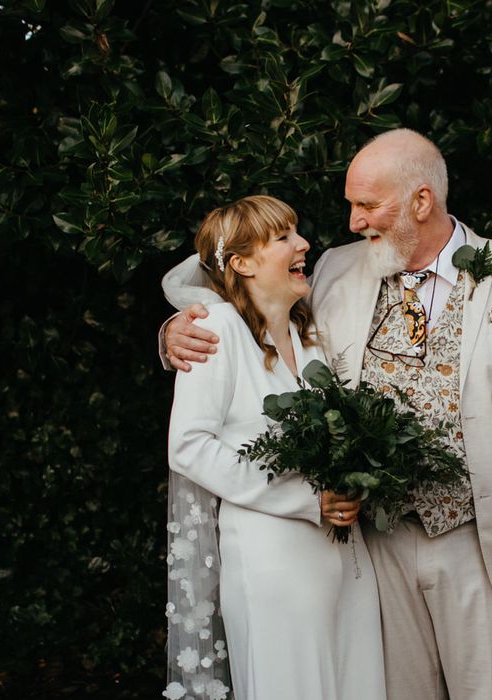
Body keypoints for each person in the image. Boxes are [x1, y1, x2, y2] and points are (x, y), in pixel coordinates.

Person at [162, 130, 492, 700]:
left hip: (481, 541)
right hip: (373, 546)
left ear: (420, 201)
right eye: (351, 205)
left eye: (367, 204)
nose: (354, 221)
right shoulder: (335, 269)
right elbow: (248, 311)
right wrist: (174, 335)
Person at [163, 195, 386, 700]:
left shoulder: (309, 336)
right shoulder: (216, 331)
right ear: (240, 263)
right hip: (273, 563)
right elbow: (189, 447)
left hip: (346, 560)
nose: (304, 244)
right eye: (283, 237)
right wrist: (309, 499)